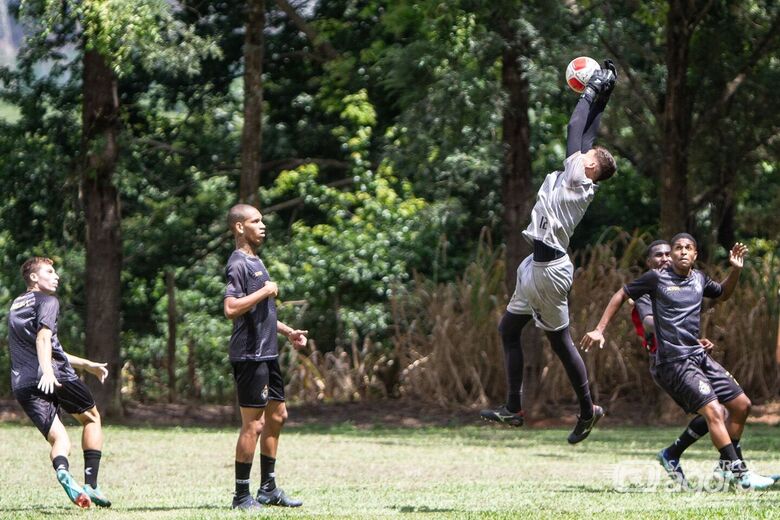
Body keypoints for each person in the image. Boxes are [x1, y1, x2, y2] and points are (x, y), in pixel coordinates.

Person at [480, 61, 618, 444]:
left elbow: (576, 129)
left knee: (560, 342)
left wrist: (589, 91)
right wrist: (604, 96)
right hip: (535, 264)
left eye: (589, 156)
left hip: (548, 271)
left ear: (590, 167)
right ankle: (514, 408)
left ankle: (588, 409)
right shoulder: (584, 172)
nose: (584, 153)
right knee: (509, 329)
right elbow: (588, 135)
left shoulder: (578, 177)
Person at [581, 234, 776, 490]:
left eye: (688, 248)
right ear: (669, 256)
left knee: (741, 405)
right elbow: (630, 303)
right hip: (673, 361)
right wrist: (599, 329)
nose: (681, 252)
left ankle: (702, 460)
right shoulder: (654, 282)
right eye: (676, 249)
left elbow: (722, 293)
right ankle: (740, 474)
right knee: (715, 412)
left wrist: (735, 270)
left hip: (697, 356)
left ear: (695, 254)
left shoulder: (699, 279)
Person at [8, 257, 111, 508]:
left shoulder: (16, 305)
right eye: (50, 271)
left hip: (22, 383)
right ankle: (91, 484)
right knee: (92, 418)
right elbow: (43, 339)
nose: (56, 276)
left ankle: (63, 471)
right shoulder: (48, 301)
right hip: (54, 375)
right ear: (34, 277)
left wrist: (86, 364)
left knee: (60, 440)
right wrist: (48, 373)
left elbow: (49, 345)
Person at [223, 203, 308, 510]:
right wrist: (266, 291)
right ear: (239, 227)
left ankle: (268, 488)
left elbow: (262, 311)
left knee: (278, 416)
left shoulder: (256, 260)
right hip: (249, 355)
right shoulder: (238, 263)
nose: (262, 225)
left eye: (262, 220)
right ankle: (241, 495)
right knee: (253, 425)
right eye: (255, 221)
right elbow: (231, 308)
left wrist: (287, 332)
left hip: (267, 352)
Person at [631, 240, 711, 486]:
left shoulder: (680, 284)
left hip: (688, 355)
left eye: (669, 253)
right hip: (667, 361)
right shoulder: (647, 290)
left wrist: (694, 340)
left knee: (723, 410)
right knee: (714, 411)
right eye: (659, 255)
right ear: (648, 262)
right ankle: (737, 472)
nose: (665, 258)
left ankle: (673, 453)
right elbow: (649, 323)